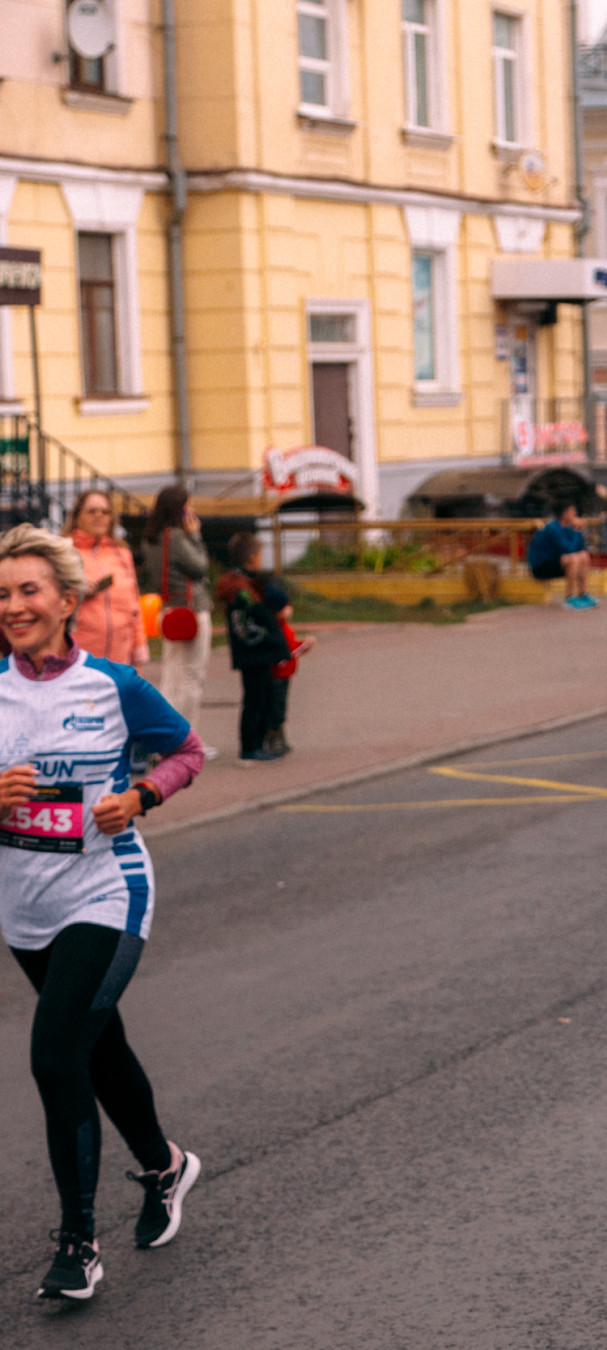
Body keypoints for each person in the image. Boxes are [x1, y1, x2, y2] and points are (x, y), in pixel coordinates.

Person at [0, 524, 206, 1301]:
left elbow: (188, 751)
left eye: (28, 591)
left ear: (66, 600)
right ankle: (167, 1167)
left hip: (106, 894)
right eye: (2, 594)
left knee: (56, 1056)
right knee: (98, 1048)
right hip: (24, 906)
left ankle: (79, 1243)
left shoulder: (114, 686)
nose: (13, 606)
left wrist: (143, 795)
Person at [136, 485, 211, 732]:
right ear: (179, 510)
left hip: (168, 611)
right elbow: (200, 567)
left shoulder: (151, 538)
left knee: (171, 676)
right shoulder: (177, 537)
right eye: (188, 505)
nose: (192, 510)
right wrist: (196, 536)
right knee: (191, 676)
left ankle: (165, 735)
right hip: (191, 612)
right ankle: (185, 739)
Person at [217, 533, 291, 764]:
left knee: (261, 697)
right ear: (251, 557)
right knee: (254, 700)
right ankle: (249, 747)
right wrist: (265, 638)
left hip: (258, 652)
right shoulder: (241, 590)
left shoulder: (249, 583)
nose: (261, 559)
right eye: (259, 554)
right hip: (254, 653)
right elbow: (246, 623)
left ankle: (258, 744)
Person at [67, 491, 148, 669]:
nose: (99, 516)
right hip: (78, 658)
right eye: (92, 511)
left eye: (105, 512)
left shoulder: (122, 554)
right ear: (77, 516)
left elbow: (135, 606)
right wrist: (75, 588)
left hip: (120, 658)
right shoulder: (64, 552)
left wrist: (139, 650)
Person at [260, 579, 313, 757]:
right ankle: (274, 737)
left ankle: (276, 735)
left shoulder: (281, 628)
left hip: (283, 674)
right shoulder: (279, 630)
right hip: (279, 675)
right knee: (277, 707)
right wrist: (305, 646)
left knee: (277, 706)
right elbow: (289, 652)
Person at [527, 501, 597, 608]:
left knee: (583, 555)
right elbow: (567, 549)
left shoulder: (566, 528)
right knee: (573, 558)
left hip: (557, 563)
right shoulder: (552, 528)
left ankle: (584, 594)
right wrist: (576, 530)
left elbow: (579, 548)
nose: (575, 514)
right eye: (572, 511)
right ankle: (570, 598)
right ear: (565, 514)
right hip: (540, 567)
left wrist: (579, 530)